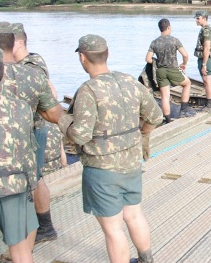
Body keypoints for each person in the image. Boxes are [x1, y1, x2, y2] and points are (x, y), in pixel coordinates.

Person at [56, 35, 163, 263]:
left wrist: (62, 120)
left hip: (101, 169)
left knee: (113, 228)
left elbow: (81, 135)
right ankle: (146, 260)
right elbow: (156, 116)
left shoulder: (89, 90)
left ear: (82, 58)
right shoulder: (130, 81)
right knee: (134, 214)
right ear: (107, 54)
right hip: (132, 162)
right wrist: (142, 134)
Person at [0, 24, 63, 261]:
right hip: (29, 141)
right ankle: (31, 242)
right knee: (30, 187)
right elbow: (53, 109)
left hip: (21, 142)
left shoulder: (28, 67)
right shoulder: (33, 72)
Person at [0, 48, 38, 263]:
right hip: (14, 184)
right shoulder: (21, 108)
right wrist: (30, 184)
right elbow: (28, 149)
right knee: (21, 249)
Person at [145, 18, 196, 124]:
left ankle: (167, 120)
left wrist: (156, 62)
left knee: (165, 96)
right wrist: (184, 64)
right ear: (168, 27)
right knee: (187, 84)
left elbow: (148, 59)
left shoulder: (155, 42)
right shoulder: (174, 40)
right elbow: (185, 55)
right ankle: (183, 110)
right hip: (172, 69)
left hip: (160, 71)